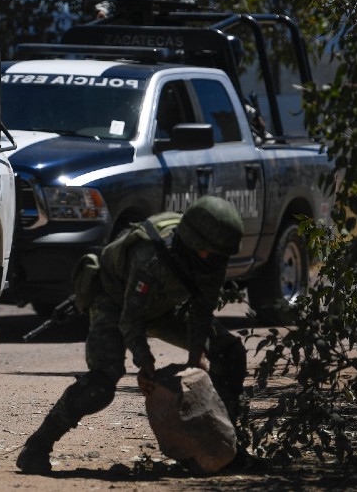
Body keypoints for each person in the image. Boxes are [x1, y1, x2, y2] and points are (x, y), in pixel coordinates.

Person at [15, 196, 250, 475]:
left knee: (229, 351)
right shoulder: (150, 256)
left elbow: (202, 309)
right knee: (100, 384)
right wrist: (145, 363)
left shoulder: (213, 258)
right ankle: (38, 446)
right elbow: (131, 317)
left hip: (163, 305)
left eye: (220, 254)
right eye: (209, 252)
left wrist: (196, 357)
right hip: (114, 301)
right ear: (192, 242)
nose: (215, 259)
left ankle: (226, 448)